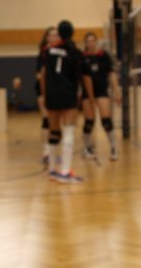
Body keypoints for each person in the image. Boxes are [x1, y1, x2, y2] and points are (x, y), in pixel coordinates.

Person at [39, 20, 93, 183]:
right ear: (72, 33)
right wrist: (90, 97)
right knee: (69, 130)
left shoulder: (48, 51)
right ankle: (65, 172)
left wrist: (44, 95)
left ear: (59, 33)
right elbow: (86, 77)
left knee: (54, 132)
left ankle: (52, 171)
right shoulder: (75, 52)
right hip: (68, 93)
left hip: (52, 94)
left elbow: (43, 75)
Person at [81, 31, 121, 161]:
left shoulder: (104, 55)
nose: (91, 43)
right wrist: (88, 96)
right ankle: (87, 148)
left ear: (96, 42)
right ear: (85, 43)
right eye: (88, 41)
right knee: (89, 122)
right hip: (87, 93)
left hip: (102, 91)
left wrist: (117, 91)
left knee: (106, 121)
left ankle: (114, 148)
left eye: (93, 41)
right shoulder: (82, 57)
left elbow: (111, 74)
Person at [36, 26, 58, 164]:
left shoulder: (62, 52)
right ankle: (46, 150)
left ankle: (52, 149)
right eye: (51, 35)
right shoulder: (43, 53)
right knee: (46, 119)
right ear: (47, 37)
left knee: (55, 122)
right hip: (44, 89)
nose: (54, 37)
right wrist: (44, 92)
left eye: (56, 35)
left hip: (58, 90)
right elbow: (39, 74)